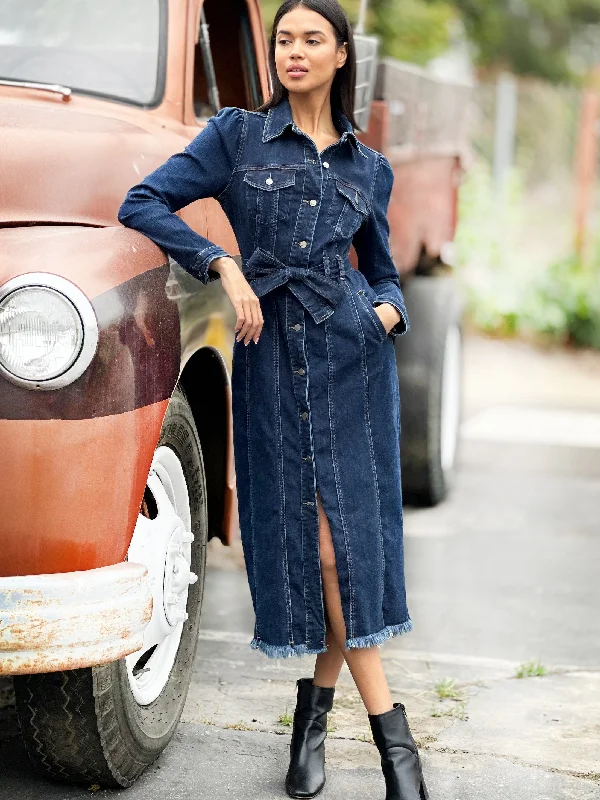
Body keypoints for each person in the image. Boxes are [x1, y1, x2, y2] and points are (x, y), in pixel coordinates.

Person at [117, 1, 428, 797]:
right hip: (270, 361)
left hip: (353, 365)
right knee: (312, 551)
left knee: (341, 553)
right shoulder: (235, 135)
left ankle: (327, 734)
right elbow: (143, 202)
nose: (293, 51)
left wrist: (384, 311)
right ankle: (389, 748)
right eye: (283, 39)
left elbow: (384, 270)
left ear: (339, 54)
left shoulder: (367, 165)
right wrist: (221, 264)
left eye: (309, 40)